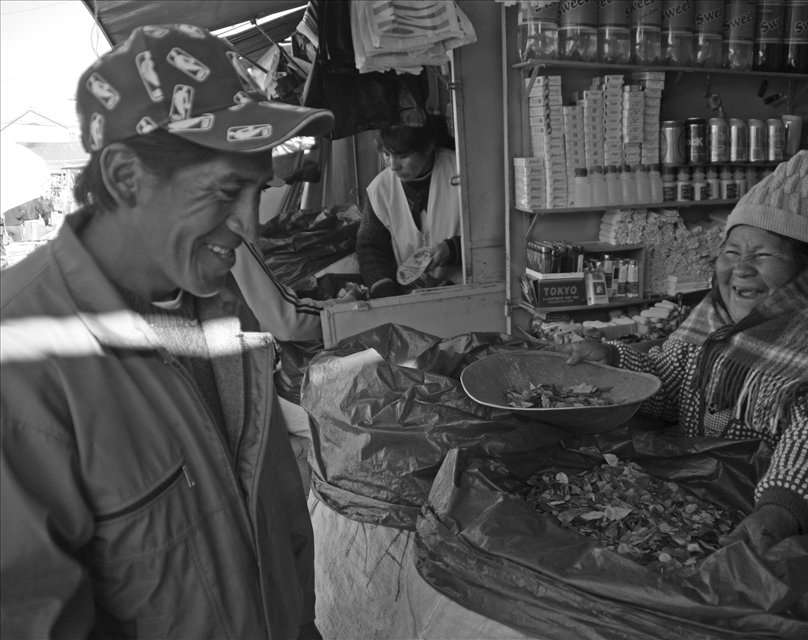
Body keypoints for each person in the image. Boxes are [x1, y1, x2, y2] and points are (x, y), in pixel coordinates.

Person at [0, 25, 335, 639]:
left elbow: (280, 510)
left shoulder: (222, 305)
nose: (250, 227)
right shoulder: (21, 363)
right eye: (226, 191)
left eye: (258, 191)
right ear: (125, 176)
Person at [557, 151, 808, 554]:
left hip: (782, 528)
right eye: (732, 252)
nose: (741, 269)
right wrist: (614, 361)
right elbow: (670, 383)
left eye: (764, 255)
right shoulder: (715, 318)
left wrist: (779, 513)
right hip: (705, 491)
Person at [356, 114, 462, 298]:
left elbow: (492, 230)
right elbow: (371, 247)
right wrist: (384, 288)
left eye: (403, 156)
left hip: (467, 289)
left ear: (427, 147)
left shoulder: (463, 171)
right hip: (411, 295)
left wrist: (454, 249)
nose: (393, 166)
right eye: (387, 155)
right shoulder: (380, 189)